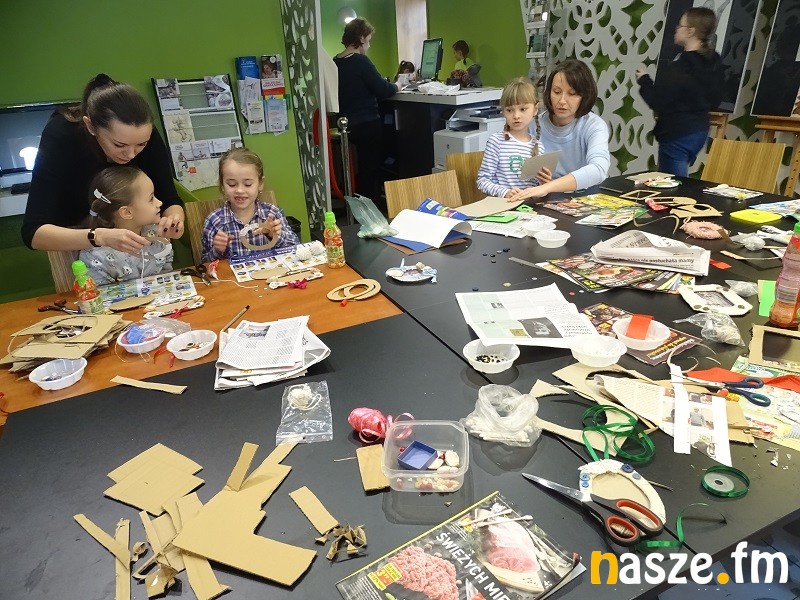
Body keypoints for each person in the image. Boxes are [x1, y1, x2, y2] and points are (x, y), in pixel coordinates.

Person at [22, 74, 185, 254]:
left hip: (138, 249)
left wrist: (174, 220)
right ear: (91, 126)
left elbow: (170, 199)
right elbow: (33, 233)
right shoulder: (62, 135)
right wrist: (99, 237)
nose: (131, 154)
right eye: (119, 145)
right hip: (76, 247)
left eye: (141, 144)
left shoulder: (144, 132)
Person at [636, 7, 724, 177]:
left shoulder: (681, 66)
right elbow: (716, 99)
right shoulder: (714, 61)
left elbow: (658, 101)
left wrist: (644, 80)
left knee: (673, 184)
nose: (676, 29)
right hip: (700, 131)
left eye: (680, 26)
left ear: (690, 31)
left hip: (677, 133)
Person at [512, 60, 610, 200]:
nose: (562, 101)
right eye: (557, 92)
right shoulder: (532, 124)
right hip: (541, 199)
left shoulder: (594, 126)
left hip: (586, 198)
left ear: (585, 96)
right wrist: (538, 182)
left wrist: (548, 187)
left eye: (572, 93)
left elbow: (599, 169)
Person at [334, 18, 398, 205]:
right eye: (368, 41)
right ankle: (371, 207)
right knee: (371, 167)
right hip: (366, 123)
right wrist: (398, 85)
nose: (369, 46)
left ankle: (360, 204)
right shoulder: (361, 61)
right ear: (361, 38)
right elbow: (384, 90)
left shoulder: (335, 62)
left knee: (363, 167)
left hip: (346, 124)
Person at [201, 148, 299, 263]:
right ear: (222, 185)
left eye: (247, 184)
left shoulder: (272, 214)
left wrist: (275, 236)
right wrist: (217, 250)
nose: (240, 190)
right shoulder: (215, 221)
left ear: (260, 184)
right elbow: (204, 264)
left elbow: (295, 249)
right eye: (232, 184)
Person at [79, 167, 173, 285]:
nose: (160, 203)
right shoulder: (95, 255)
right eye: (151, 199)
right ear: (127, 212)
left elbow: (168, 272)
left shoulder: (158, 234)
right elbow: (99, 293)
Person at [477, 78, 544, 199]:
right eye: (509, 110)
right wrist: (505, 192)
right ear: (503, 111)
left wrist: (544, 184)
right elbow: (482, 181)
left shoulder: (539, 146)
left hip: (529, 206)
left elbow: (537, 188)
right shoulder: (496, 142)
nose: (516, 116)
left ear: (535, 109)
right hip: (503, 206)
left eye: (523, 109)